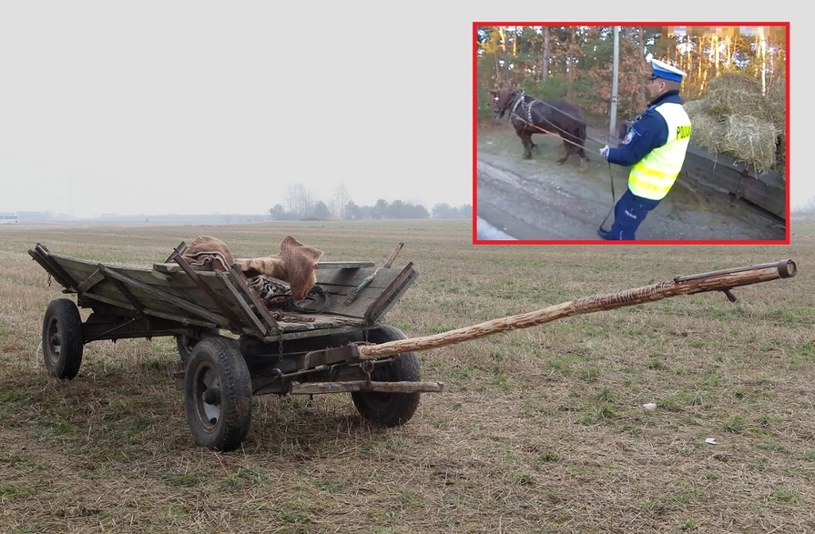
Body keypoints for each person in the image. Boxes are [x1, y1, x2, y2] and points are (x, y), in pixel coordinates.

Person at [597, 58, 692, 240]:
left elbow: (628, 156)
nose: (650, 86)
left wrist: (608, 153)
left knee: (624, 231)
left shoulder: (656, 119)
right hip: (657, 187)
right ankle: (614, 234)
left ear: (662, 86)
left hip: (645, 189)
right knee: (620, 209)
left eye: (653, 82)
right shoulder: (681, 116)